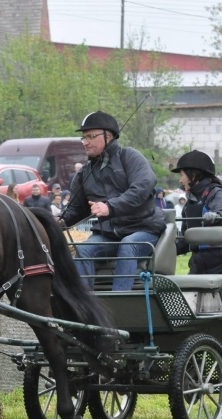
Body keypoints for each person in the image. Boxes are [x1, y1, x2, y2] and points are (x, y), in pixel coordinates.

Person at [59, 111, 165, 291]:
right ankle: (84, 302)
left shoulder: (130, 157)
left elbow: (142, 187)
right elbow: (76, 210)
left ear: (107, 137)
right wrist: (58, 222)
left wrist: (110, 207)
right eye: (83, 137)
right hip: (108, 234)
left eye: (91, 136)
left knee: (128, 245)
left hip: (143, 228)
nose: (85, 142)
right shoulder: (84, 173)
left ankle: (120, 299)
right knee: (83, 249)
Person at [172, 150, 222, 297]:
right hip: (199, 267)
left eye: (182, 175)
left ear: (194, 175)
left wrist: (217, 216)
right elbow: (186, 241)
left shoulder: (216, 193)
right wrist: (161, 248)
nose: (180, 181)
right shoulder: (190, 203)